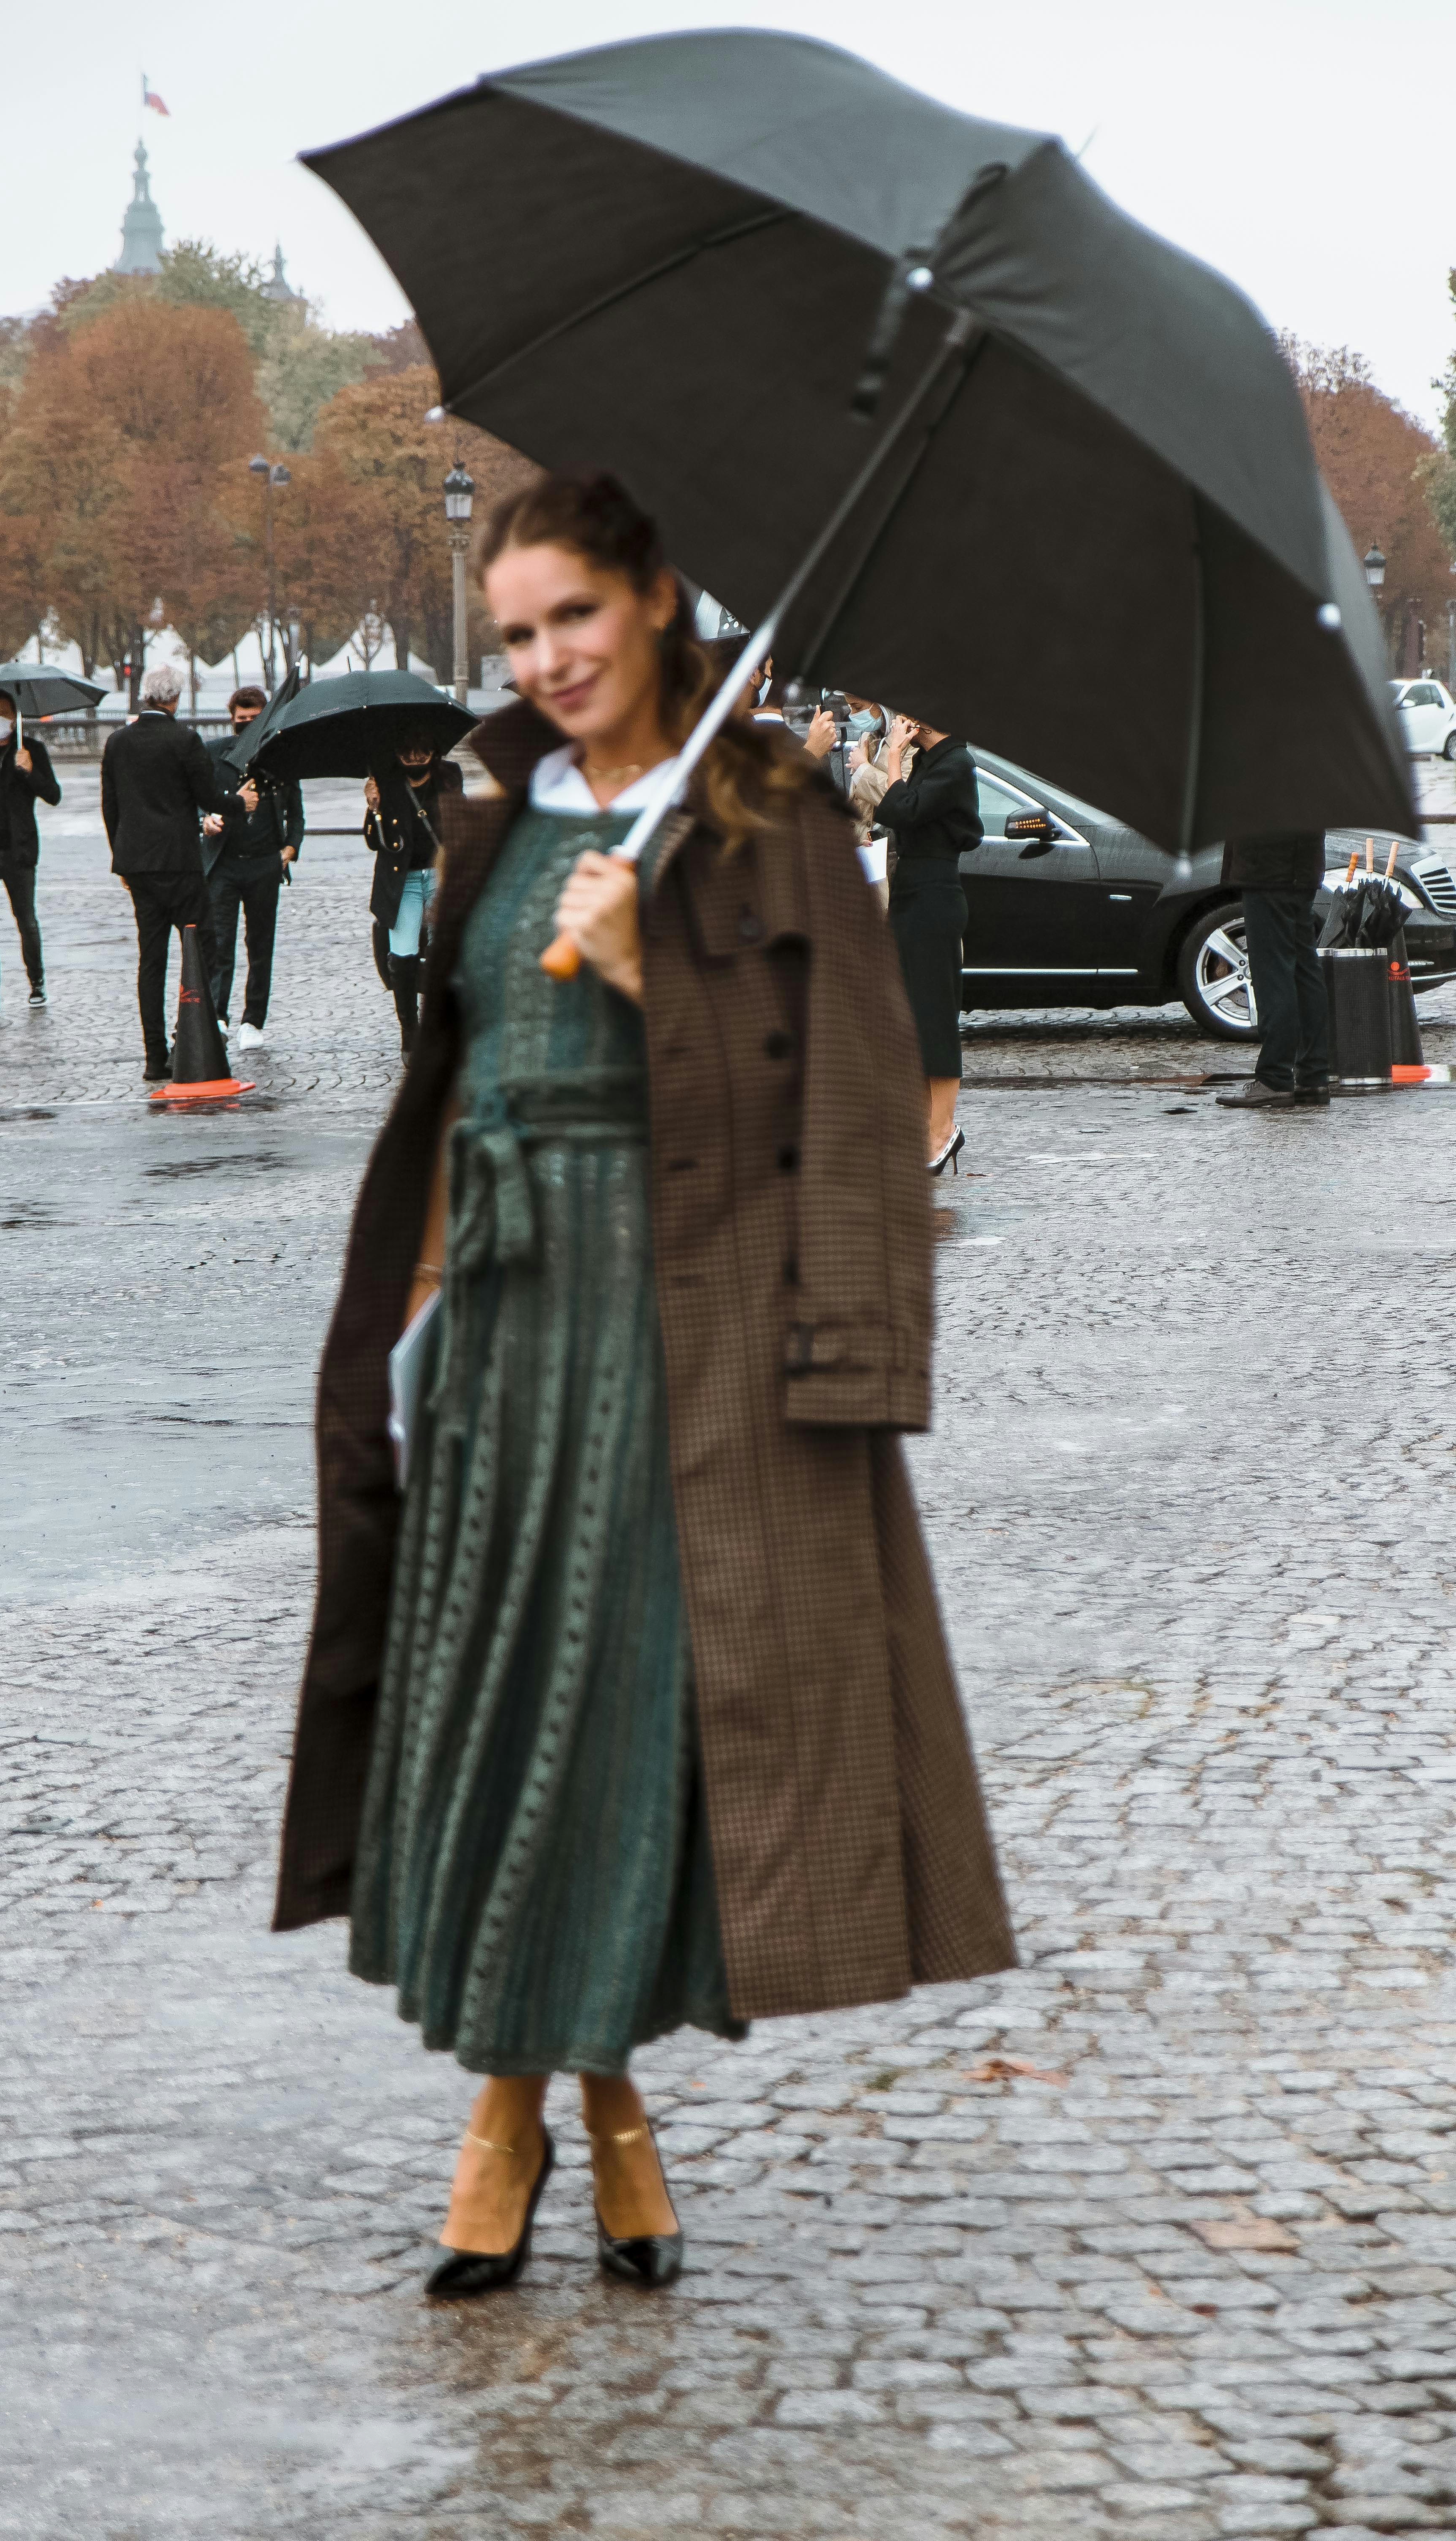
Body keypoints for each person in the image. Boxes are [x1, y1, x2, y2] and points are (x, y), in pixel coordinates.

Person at [272, 469, 1014, 2301]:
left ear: (653, 601)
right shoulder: (498, 801)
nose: (544, 659)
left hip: (677, 1356)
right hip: (500, 1346)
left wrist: (650, 976)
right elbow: (452, 1080)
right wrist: (407, 1322)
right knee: (491, 1725)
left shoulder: (767, 812)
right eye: (516, 631)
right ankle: (599, 2110)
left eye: (571, 620)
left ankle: (504, 2124)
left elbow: (851, 1115)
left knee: (604, 1739)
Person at [100, 663, 225, 1079]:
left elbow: (111, 807)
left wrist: (122, 856)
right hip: (181, 863)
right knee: (201, 951)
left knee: (151, 960)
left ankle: (155, 1056)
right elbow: (208, 796)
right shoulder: (185, 740)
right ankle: (189, 1038)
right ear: (174, 699)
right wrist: (241, 802)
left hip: (138, 864)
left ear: (146, 698)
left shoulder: (117, 743)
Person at [876, 713, 982, 1174]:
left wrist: (892, 755)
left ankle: (942, 1131)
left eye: (907, 712)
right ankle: (925, 1128)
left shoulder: (956, 762)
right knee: (913, 1016)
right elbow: (901, 813)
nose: (900, 720)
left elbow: (902, 810)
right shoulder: (932, 761)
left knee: (934, 1016)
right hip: (912, 895)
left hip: (934, 899)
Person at [204, 685, 304, 1050]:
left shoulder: (280, 758)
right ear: (232, 718)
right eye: (241, 718)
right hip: (225, 864)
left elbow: (296, 810)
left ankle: (254, 1020)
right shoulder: (215, 755)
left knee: (261, 945)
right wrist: (205, 821)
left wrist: (291, 848)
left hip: (265, 863)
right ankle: (217, 1016)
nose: (247, 724)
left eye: (255, 718)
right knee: (220, 944)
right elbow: (198, 800)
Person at [0, 688, 60, 1022]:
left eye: (4, 713)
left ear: (15, 717)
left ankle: (37, 982)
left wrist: (30, 772)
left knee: (26, 921)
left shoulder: (31, 750)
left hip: (18, 853)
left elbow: (54, 795)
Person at [363, 728, 464, 1053]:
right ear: (397, 754)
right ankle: (410, 1029)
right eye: (408, 752)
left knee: (444, 953)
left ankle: (441, 1024)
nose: (416, 758)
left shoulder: (450, 776)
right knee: (403, 955)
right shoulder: (385, 781)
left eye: (423, 751)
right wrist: (374, 809)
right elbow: (374, 842)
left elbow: (461, 824)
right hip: (403, 879)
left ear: (434, 751)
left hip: (441, 875)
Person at [1214, 833, 1330, 1109]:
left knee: (1273, 972)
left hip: (1269, 867)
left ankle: (1275, 1078)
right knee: (1304, 967)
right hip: (1298, 867)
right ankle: (1313, 1076)